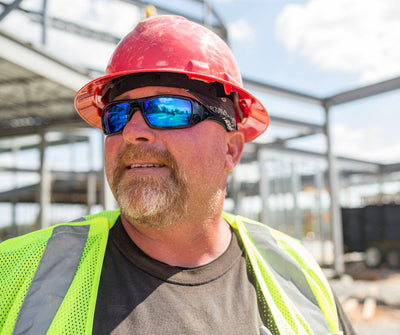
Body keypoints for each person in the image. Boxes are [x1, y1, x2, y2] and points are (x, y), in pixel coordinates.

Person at [0, 15, 355, 335]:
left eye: (169, 110)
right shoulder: (15, 274)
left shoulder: (297, 276)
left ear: (230, 149)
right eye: (116, 115)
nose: (131, 131)